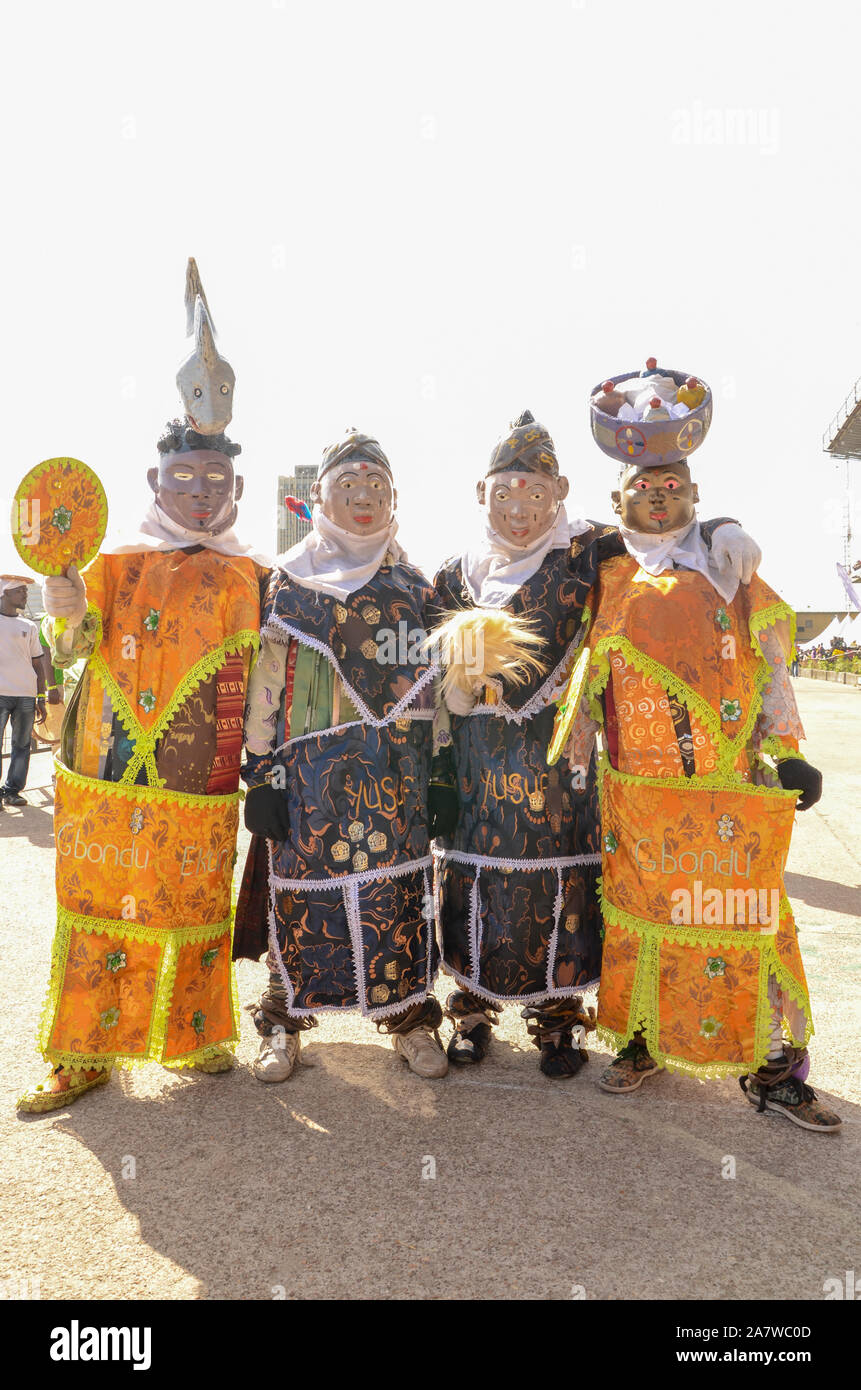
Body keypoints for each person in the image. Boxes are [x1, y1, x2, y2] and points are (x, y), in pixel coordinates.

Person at [430, 410, 761, 1077]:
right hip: (478, 766)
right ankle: (470, 1011)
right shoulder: (451, 574)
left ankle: (559, 1020)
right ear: (480, 494)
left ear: (561, 494)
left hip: (564, 765)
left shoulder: (587, 550)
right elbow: (425, 675)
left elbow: (659, 527)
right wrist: (451, 700)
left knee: (564, 889)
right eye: (505, 491)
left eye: (534, 491)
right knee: (478, 888)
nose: (519, 506)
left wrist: (721, 524)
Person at [17, 264, 271, 1113]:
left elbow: (270, 672)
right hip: (108, 760)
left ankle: (192, 1034)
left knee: (191, 896)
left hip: (202, 770)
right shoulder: (113, 560)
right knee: (99, 903)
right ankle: (85, 1051)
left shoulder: (254, 573)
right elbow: (73, 647)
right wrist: (63, 604)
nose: (198, 493)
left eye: (214, 481)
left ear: (234, 489)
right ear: (154, 484)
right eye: (183, 479)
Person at [555, 373, 840, 1131]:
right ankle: (641, 1040)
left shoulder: (727, 563)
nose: (659, 497)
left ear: (693, 494)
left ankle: (770, 1065)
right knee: (642, 919)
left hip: (724, 788)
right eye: (642, 485)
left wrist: (784, 752)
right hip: (636, 799)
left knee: (742, 919)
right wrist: (575, 764)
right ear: (617, 501)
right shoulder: (603, 573)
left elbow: (771, 659)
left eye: (675, 486)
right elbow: (585, 676)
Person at [238, 429, 447, 1082]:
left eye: (376, 487)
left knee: (396, 899)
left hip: (396, 777)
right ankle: (283, 1018)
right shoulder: (289, 581)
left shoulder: (416, 587)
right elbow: (266, 682)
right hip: (309, 778)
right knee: (302, 898)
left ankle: (408, 1019)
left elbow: (436, 690)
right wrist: (261, 771)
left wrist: (440, 771)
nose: (363, 498)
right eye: (348, 486)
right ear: (320, 497)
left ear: (393, 499)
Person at [0, 575, 58, 805]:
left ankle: (11, 791)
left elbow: (38, 664)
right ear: (6, 593)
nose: (25, 595)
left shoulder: (27, 626)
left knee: (22, 745)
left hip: (25, 695)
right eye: (21, 591)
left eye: (25, 591)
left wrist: (40, 697)